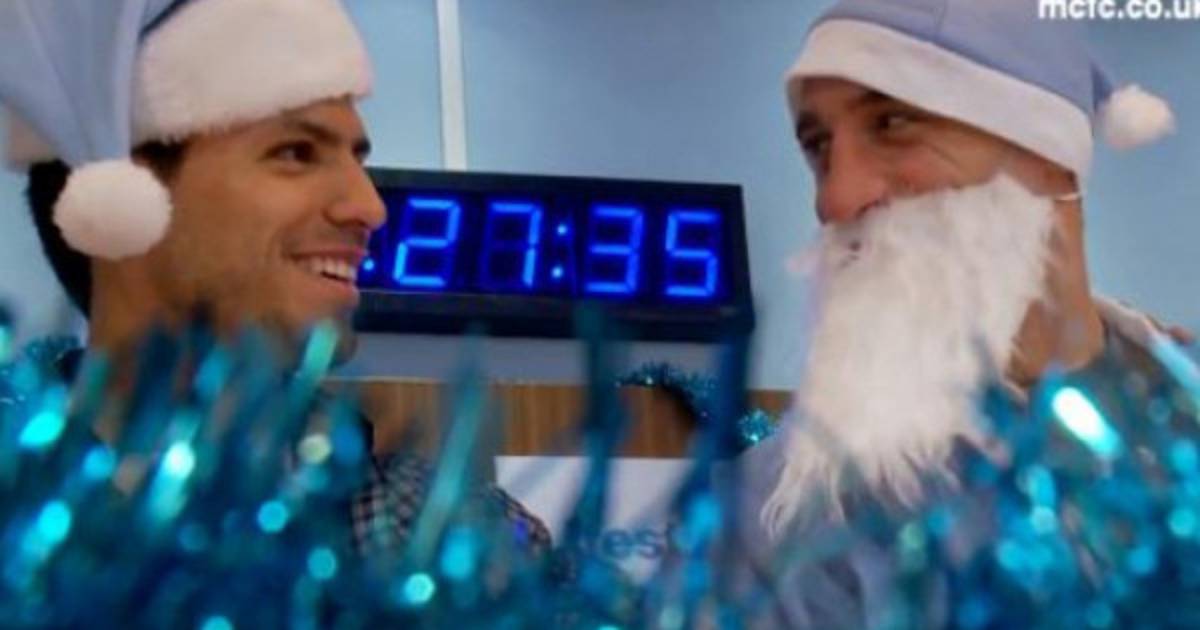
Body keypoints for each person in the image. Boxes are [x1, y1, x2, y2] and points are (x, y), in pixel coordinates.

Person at [0, 0, 551, 564]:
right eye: (297, 152)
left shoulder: (452, 541)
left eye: (357, 160)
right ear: (126, 191)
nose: (370, 208)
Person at [733, 0, 1198, 626]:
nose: (835, 199)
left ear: (1045, 154)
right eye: (819, 147)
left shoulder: (1180, 409)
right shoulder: (781, 509)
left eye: (893, 122)